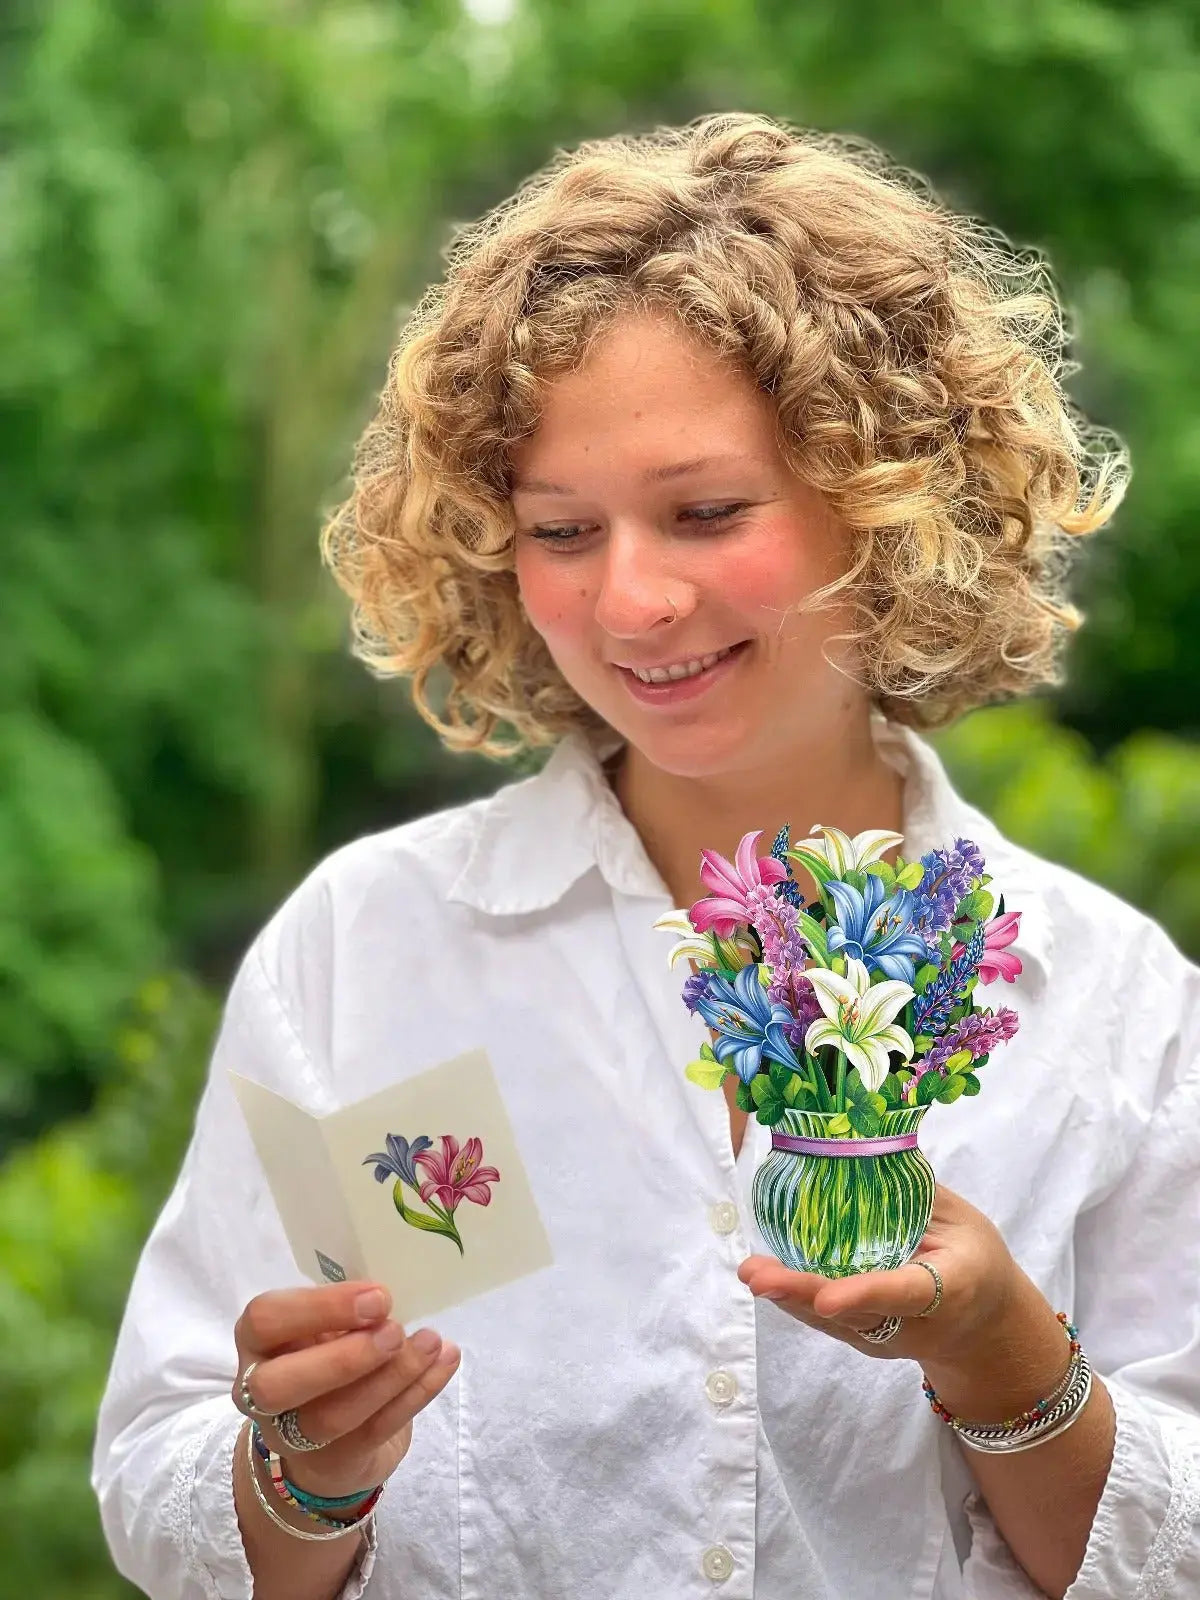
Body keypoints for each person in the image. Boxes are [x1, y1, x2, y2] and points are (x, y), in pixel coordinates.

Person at [91, 112, 1200, 1600]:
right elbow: (162, 1489)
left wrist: (1008, 1364)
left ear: (887, 500)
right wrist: (301, 1469)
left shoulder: (1112, 1005)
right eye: (560, 530)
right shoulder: (368, 949)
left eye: (706, 513)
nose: (632, 601)